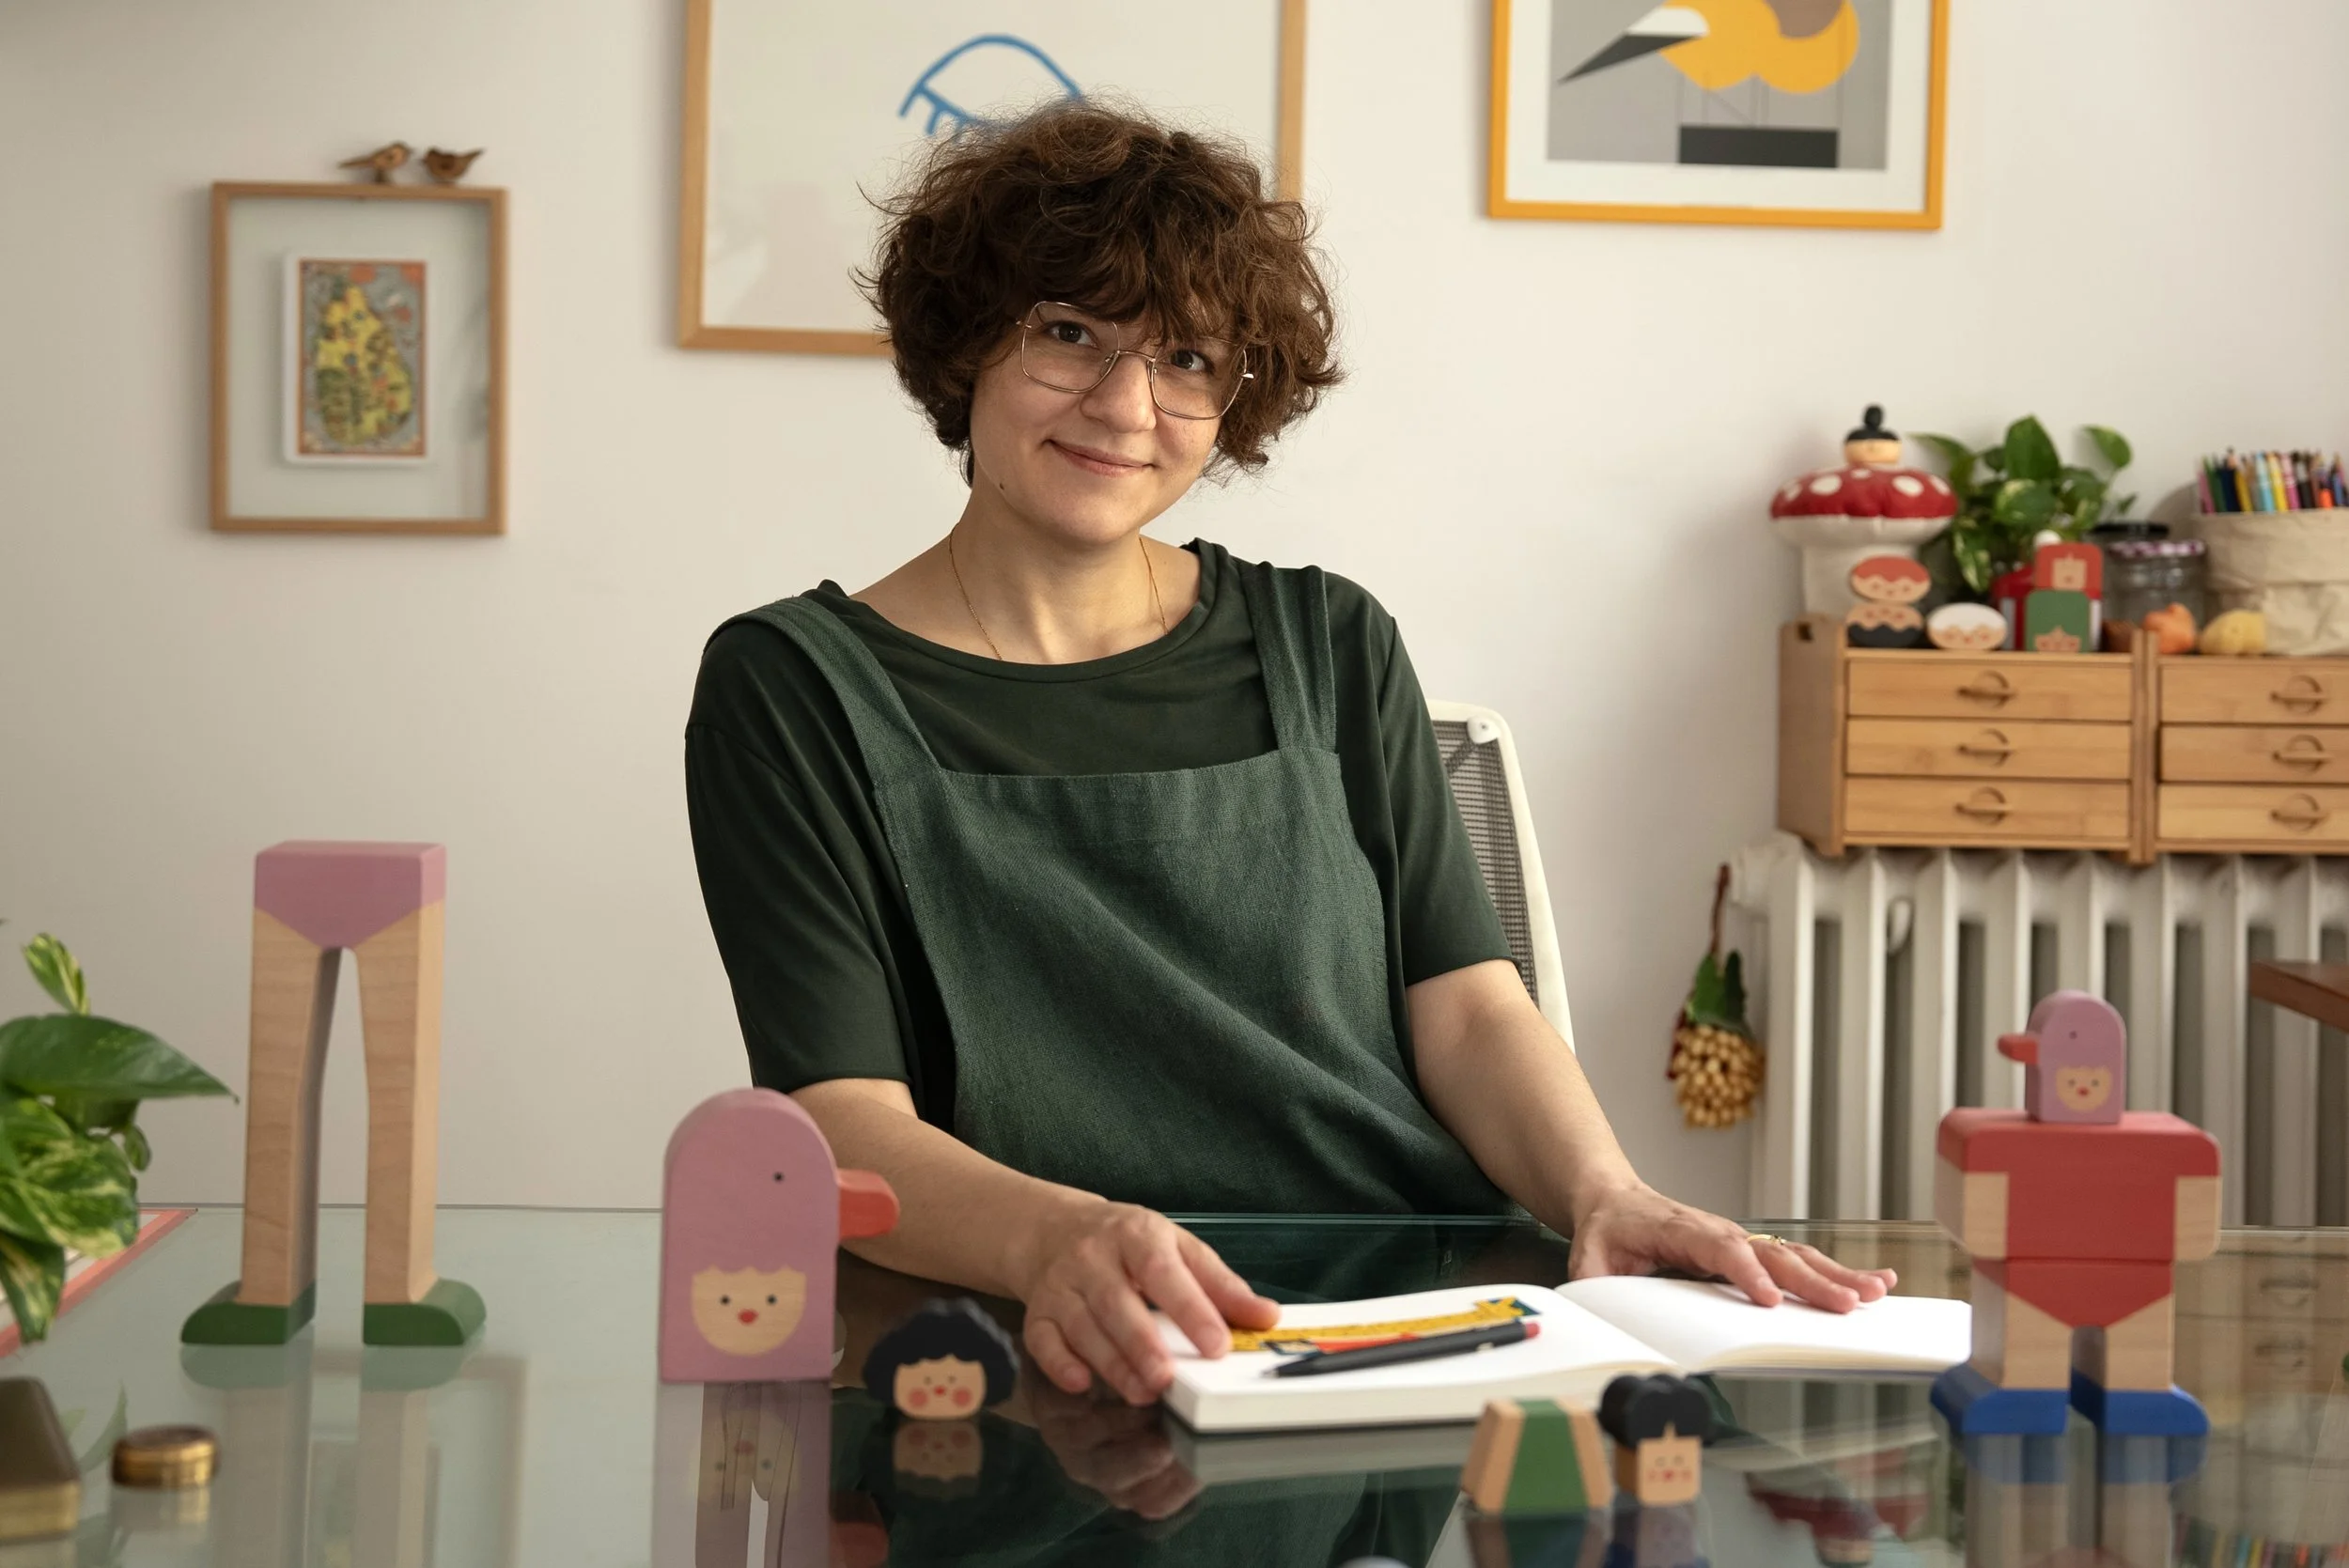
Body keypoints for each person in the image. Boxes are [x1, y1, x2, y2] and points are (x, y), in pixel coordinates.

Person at [686, 101, 1892, 1410]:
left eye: (1188, 360)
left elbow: (1474, 1008)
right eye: (1070, 332)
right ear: (967, 340)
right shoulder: (794, 687)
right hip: (1032, 1350)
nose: (1125, 405)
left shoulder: (1331, 641)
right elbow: (840, 1122)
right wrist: (1058, 1241)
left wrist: (1608, 1192)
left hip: (1408, 1323)